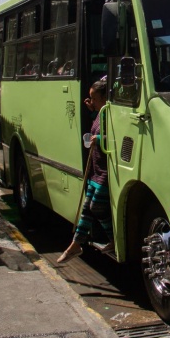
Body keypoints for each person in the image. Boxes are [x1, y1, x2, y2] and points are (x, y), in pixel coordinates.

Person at [57, 79, 114, 264]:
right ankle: (75, 245)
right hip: (95, 169)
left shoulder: (111, 114)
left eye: (94, 98)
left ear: (104, 97)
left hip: (106, 169)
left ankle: (113, 239)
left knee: (96, 206)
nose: (90, 101)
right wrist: (93, 111)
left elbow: (115, 137)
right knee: (86, 209)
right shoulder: (99, 112)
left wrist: (98, 138)